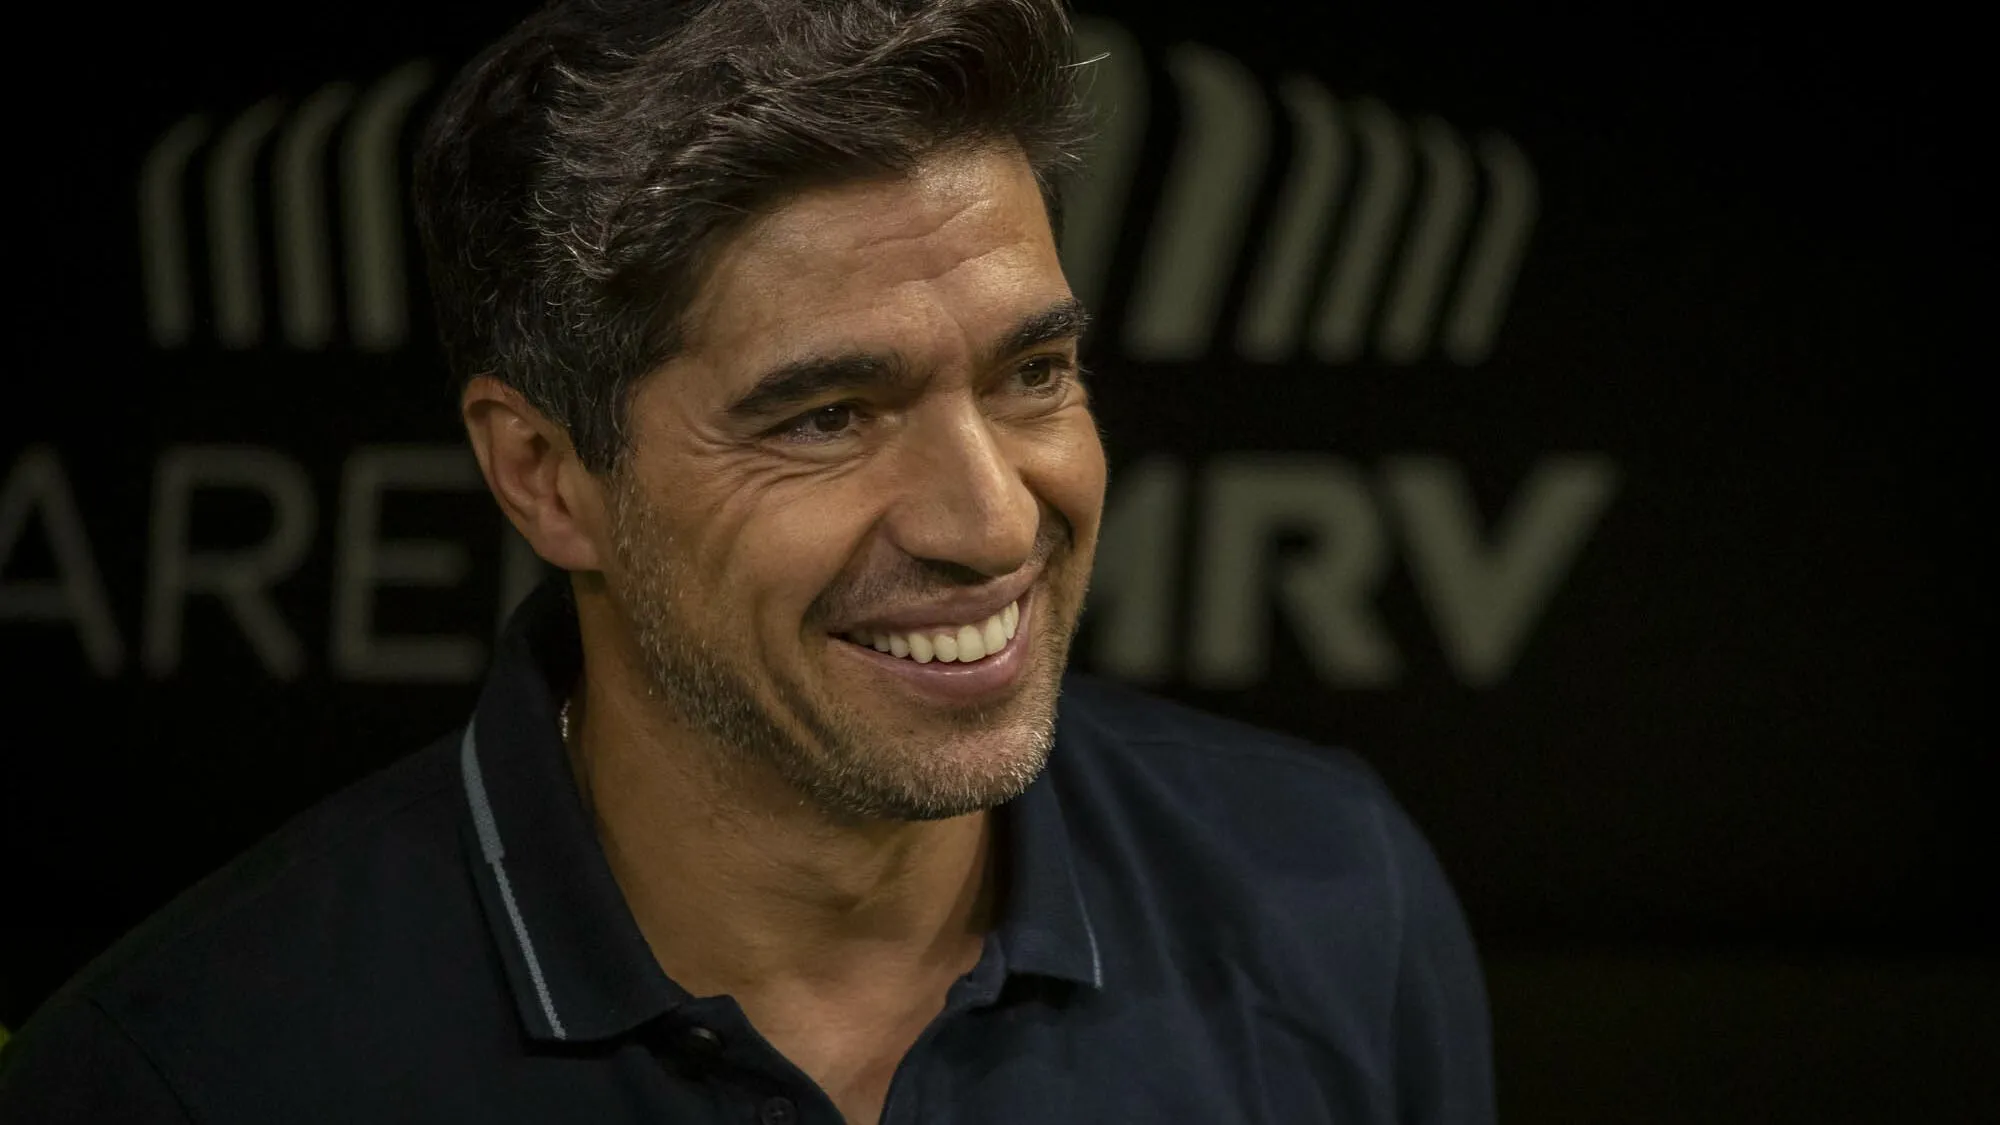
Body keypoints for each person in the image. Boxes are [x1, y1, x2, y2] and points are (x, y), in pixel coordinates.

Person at [0, 1, 1492, 1121]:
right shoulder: (184, 1071)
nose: (986, 523)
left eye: (1033, 373)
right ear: (546, 477)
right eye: (830, 416)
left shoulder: (1335, 898)